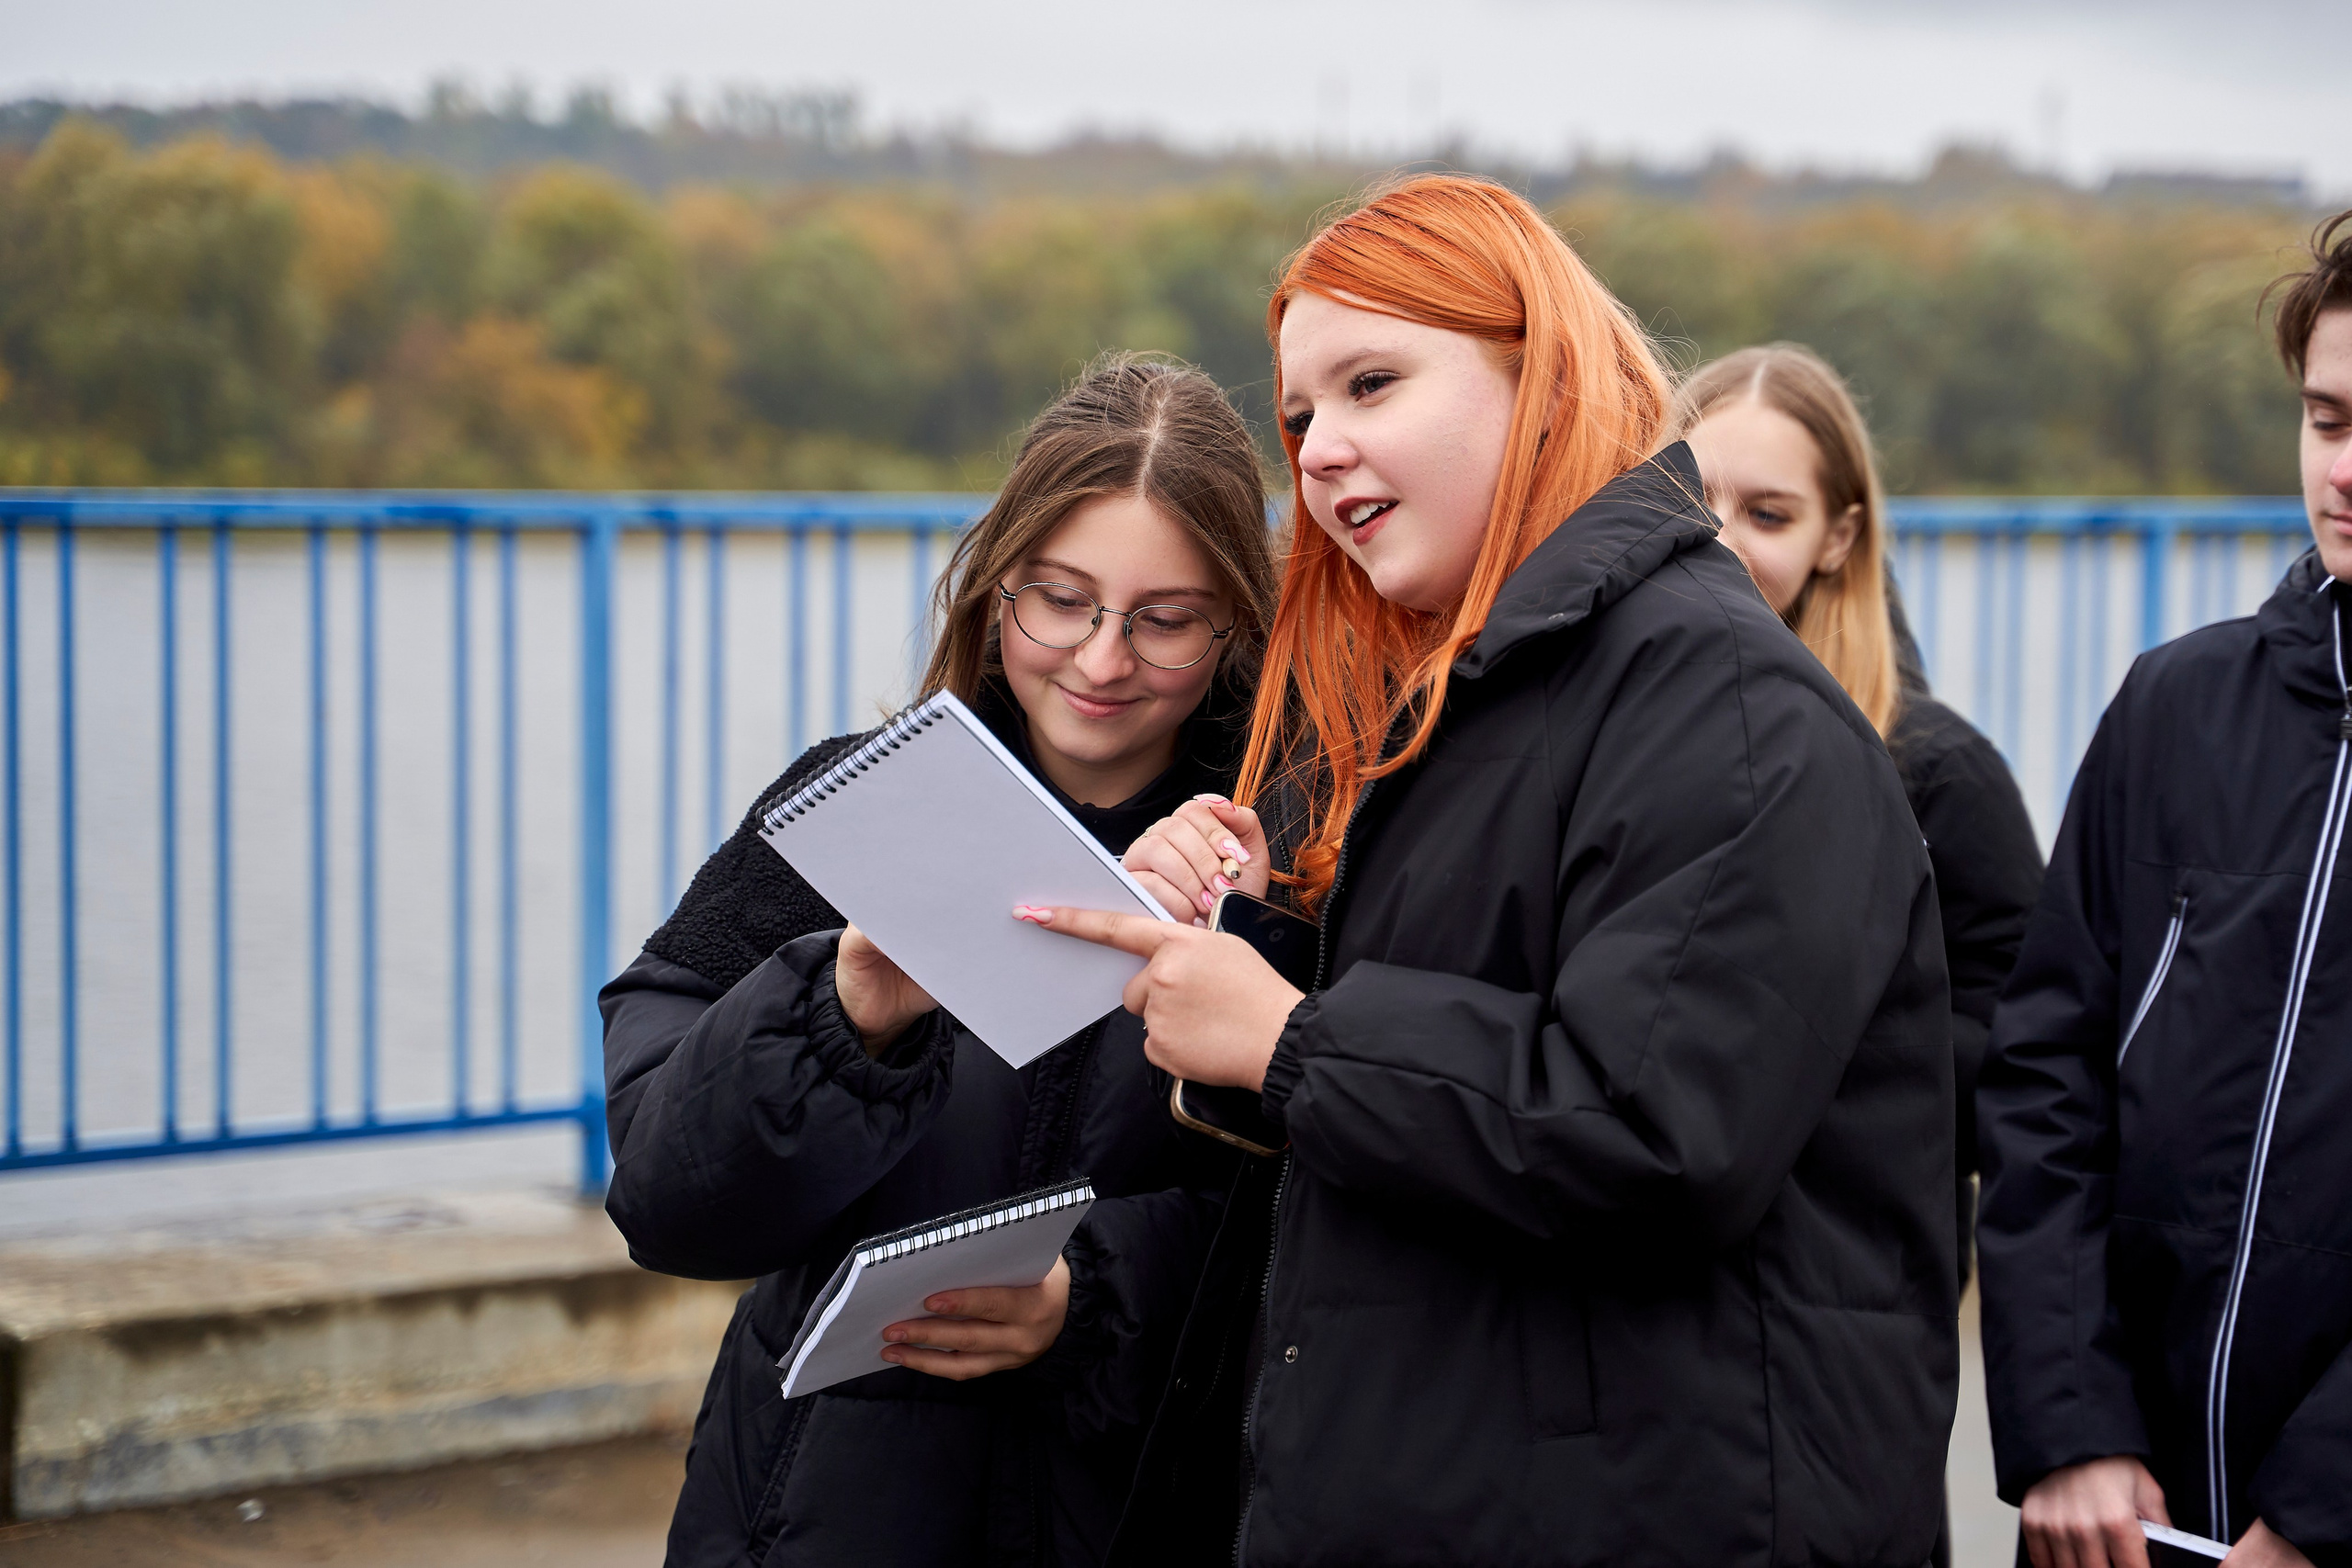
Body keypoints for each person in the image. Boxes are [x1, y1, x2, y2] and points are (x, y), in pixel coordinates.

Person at [1028, 175, 1957, 1566]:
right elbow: (1454, 1075)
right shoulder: (1477, 696)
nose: (1323, 449)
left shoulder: (1723, 704)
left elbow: (1655, 1125)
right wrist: (1245, 937)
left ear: (1545, 377)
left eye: (1374, 383)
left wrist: (1285, 1034)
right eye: (1301, 415)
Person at [598, 354, 1280, 1568]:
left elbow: (1331, 1226)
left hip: (1135, 1506)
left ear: (1236, 625)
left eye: (1165, 618)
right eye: (1059, 598)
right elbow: (665, 1198)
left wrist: (1092, 1294)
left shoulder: (1297, 856)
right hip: (820, 1512)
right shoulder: (848, 808)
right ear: (995, 582)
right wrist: (846, 1004)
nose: (1102, 657)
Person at [1975, 214, 2352, 1568]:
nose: (2345, 469)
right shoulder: (2178, 703)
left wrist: (2319, 1513)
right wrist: (2069, 1421)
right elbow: (2046, 1073)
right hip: (2122, 1520)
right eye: (2327, 417)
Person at [1679, 342, 2045, 1299]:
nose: (1720, 538)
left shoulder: (1938, 772)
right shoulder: (1595, 738)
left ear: (1836, 539)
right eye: (1692, 497)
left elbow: (2024, 1055)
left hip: (1839, 1295)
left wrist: (1791, 1071)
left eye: (1768, 514)